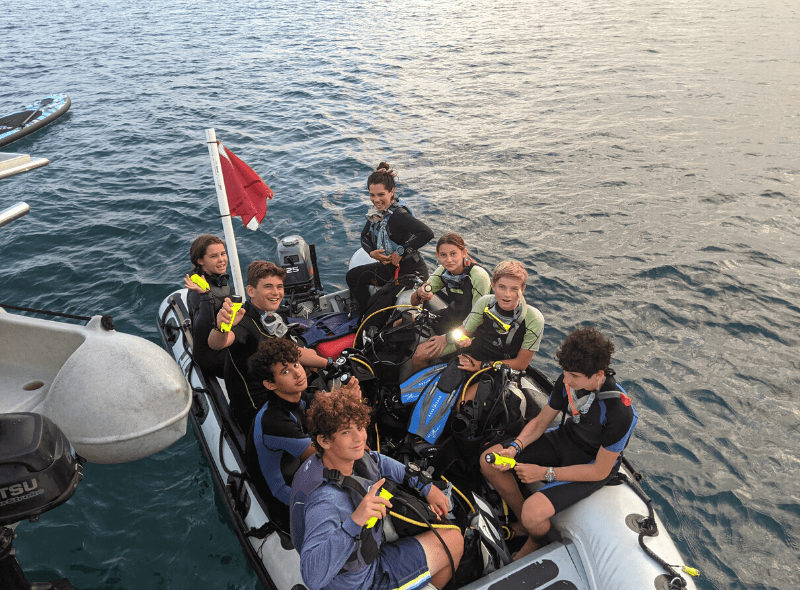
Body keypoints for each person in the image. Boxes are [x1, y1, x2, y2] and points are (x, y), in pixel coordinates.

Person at [480, 327, 638, 561]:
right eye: (565, 373)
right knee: (489, 461)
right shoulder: (567, 381)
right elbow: (541, 422)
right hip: (564, 439)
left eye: (574, 376)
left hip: (592, 463)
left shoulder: (620, 411)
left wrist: (544, 473)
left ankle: (536, 538)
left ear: (597, 374)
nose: (567, 380)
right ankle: (525, 524)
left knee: (535, 512)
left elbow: (600, 470)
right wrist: (515, 448)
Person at [290, 391, 463, 590]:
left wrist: (425, 486)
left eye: (360, 427)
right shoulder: (326, 501)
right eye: (346, 431)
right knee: (455, 540)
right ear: (324, 441)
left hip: (365, 549)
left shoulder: (330, 461)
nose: (359, 438)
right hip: (363, 582)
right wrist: (355, 521)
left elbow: (378, 462)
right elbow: (312, 577)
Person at [209, 260, 329, 431]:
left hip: (279, 389)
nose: (276, 293)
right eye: (268, 287)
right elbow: (217, 343)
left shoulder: (270, 317)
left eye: (279, 286)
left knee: (313, 356)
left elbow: (295, 351)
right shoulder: (242, 323)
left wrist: (332, 363)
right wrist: (221, 327)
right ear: (251, 290)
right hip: (258, 411)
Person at [247, 338, 360, 507]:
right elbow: (324, 453)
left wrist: (345, 396)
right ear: (270, 384)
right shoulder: (274, 421)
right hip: (285, 491)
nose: (298, 373)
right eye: (285, 372)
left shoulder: (294, 396)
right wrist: (350, 407)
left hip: (300, 469)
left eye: (296, 364)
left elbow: (321, 401)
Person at [447, 260, 544, 403]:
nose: (507, 294)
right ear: (493, 285)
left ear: (522, 289)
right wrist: (460, 339)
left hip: (502, 370)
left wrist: (481, 365)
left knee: (463, 403)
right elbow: (464, 331)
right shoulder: (485, 302)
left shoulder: (534, 318)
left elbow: (521, 363)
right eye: (502, 287)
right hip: (476, 356)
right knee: (443, 388)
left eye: (514, 289)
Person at [346, 162, 434, 316]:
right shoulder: (378, 213)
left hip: (409, 273)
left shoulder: (399, 216)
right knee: (353, 277)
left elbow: (427, 233)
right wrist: (372, 253)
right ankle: (363, 313)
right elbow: (364, 236)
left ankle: (371, 317)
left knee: (375, 309)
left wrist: (401, 251)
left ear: (391, 192)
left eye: (381, 194)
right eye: (372, 195)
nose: (376, 199)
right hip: (388, 270)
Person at [409, 233, 491, 372]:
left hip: (473, 329)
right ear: (437, 255)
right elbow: (413, 303)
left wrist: (446, 338)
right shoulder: (443, 271)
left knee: (419, 355)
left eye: (453, 254)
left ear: (464, 252)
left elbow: (478, 319)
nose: (449, 260)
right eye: (443, 255)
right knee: (403, 320)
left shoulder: (478, 276)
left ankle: (421, 391)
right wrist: (419, 293)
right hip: (452, 316)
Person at [183, 235, 231, 378]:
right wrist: (205, 296)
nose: (222, 259)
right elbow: (203, 329)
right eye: (214, 256)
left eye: (223, 253)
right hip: (211, 357)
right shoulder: (198, 291)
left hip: (225, 343)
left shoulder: (218, 280)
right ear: (200, 261)